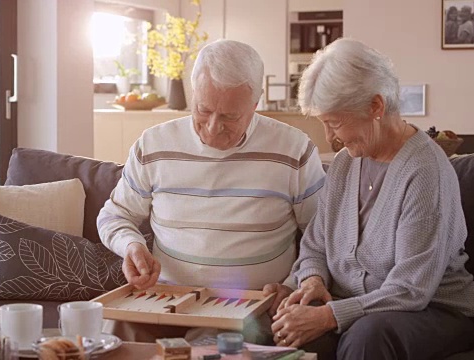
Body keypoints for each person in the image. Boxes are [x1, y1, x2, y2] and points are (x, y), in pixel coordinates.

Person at [97, 39, 326, 343]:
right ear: (194, 95)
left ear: (255, 103)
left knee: (211, 347)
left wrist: (293, 282)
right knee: (109, 338)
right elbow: (115, 215)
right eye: (204, 110)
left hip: (251, 306)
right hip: (162, 300)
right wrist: (132, 246)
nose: (214, 127)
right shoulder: (153, 145)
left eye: (230, 117)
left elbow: (321, 237)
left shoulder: (294, 150)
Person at [270, 38, 474, 360]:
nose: (330, 138)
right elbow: (315, 245)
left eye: (335, 123)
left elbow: (411, 288)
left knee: (367, 337)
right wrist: (312, 281)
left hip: (432, 311)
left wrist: (329, 316)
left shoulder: (425, 172)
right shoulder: (345, 164)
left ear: (376, 107)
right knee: (287, 330)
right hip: (352, 308)